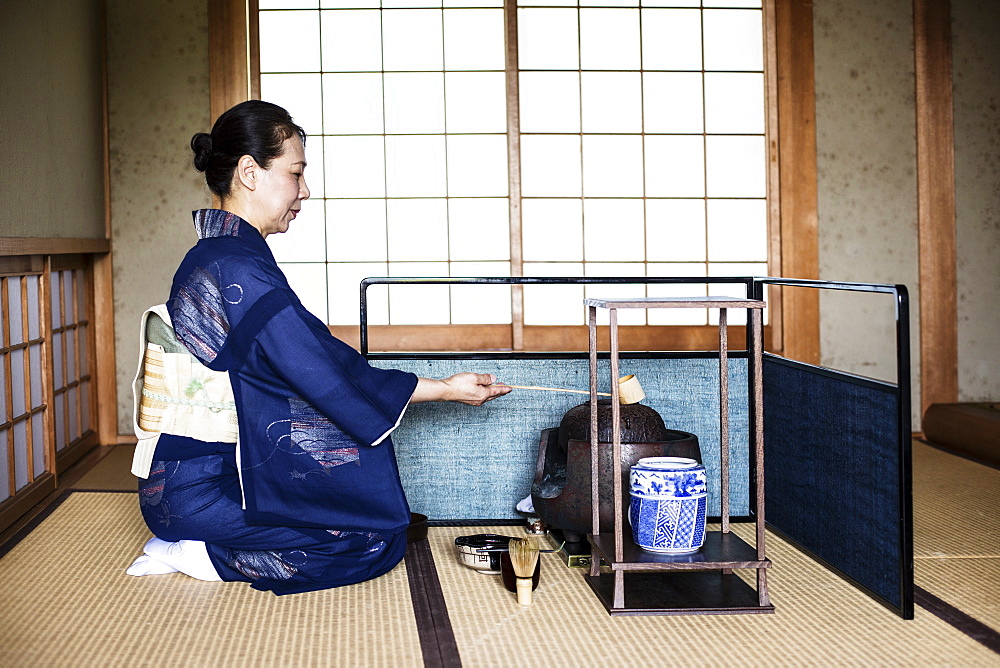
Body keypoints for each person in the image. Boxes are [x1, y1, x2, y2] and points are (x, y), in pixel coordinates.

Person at [126, 100, 511, 594]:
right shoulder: (236, 266)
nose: (304, 191)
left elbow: (299, 363)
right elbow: (317, 366)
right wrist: (445, 389)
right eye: (295, 173)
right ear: (249, 172)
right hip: (202, 488)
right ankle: (200, 554)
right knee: (373, 538)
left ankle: (195, 542)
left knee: (373, 521)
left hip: (184, 480)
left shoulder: (222, 255)